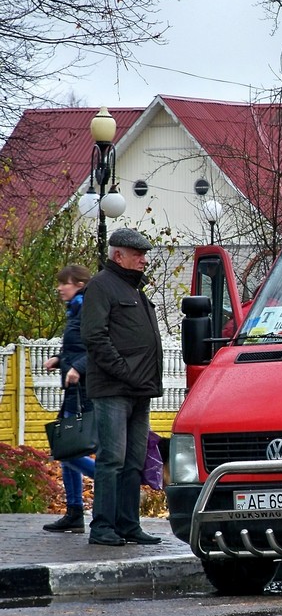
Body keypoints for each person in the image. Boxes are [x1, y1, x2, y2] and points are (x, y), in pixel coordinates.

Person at [81, 227, 164, 547]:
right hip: (113, 390)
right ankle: (102, 527)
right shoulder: (101, 285)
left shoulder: (134, 289)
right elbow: (94, 337)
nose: (144, 260)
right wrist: (125, 372)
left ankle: (129, 525)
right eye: (138, 254)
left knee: (133, 461)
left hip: (139, 390)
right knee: (112, 459)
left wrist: (140, 379)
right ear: (118, 255)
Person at [42, 264, 97, 533]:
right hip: (73, 392)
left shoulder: (87, 308)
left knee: (67, 450)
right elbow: (76, 347)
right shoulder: (74, 310)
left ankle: (108, 481)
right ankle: (74, 511)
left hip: (85, 392)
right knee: (67, 451)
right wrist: (59, 359)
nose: (59, 288)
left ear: (79, 285)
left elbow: (97, 346)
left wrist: (77, 368)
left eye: (64, 283)